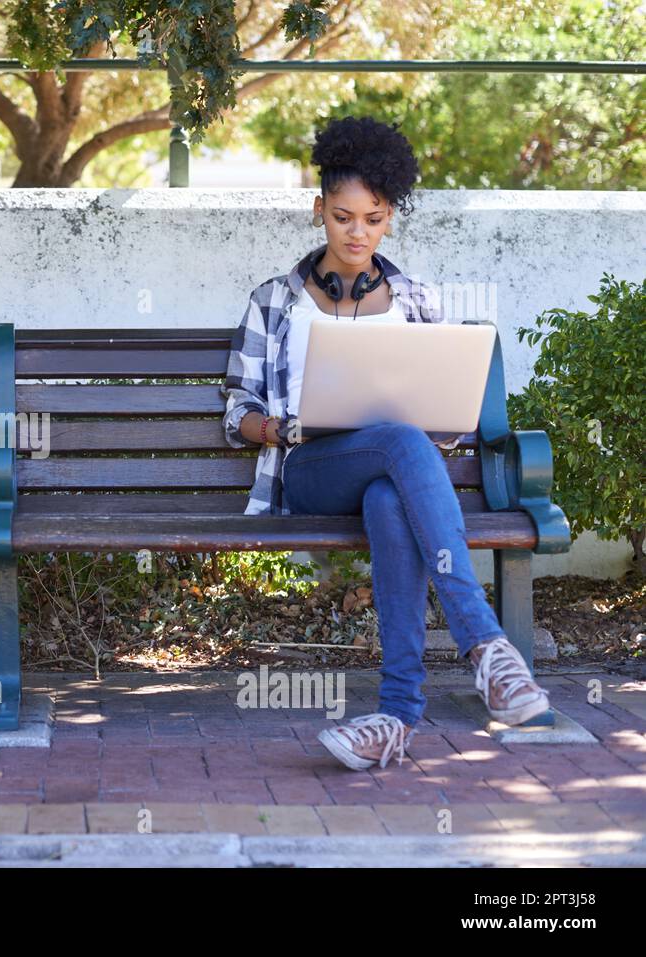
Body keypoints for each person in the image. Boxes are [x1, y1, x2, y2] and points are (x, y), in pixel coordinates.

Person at [221, 116, 550, 771]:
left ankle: (398, 715)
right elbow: (236, 412)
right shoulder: (274, 302)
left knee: (391, 496)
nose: (357, 232)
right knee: (399, 445)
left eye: (372, 218)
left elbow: (446, 418)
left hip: (390, 475)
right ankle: (485, 644)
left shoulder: (417, 299)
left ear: (390, 218)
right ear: (320, 210)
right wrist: (284, 427)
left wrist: (442, 420)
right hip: (309, 470)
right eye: (342, 216)